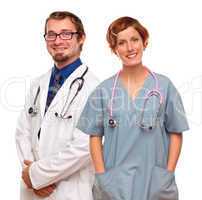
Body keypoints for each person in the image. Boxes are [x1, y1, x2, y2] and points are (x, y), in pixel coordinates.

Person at [77, 16, 189, 200]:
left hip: (155, 182)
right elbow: (95, 136)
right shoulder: (104, 90)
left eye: (135, 40)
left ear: (145, 42)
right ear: (114, 49)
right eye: (121, 43)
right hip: (114, 184)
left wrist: (168, 174)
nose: (130, 48)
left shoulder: (164, 86)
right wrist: (101, 175)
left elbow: (176, 132)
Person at [15, 11, 99, 200]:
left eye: (66, 33)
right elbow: (22, 132)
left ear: (81, 38)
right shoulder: (38, 85)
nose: (57, 40)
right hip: (32, 192)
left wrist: (37, 176)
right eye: (51, 34)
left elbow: (85, 147)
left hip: (68, 191)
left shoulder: (96, 89)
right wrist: (30, 175)